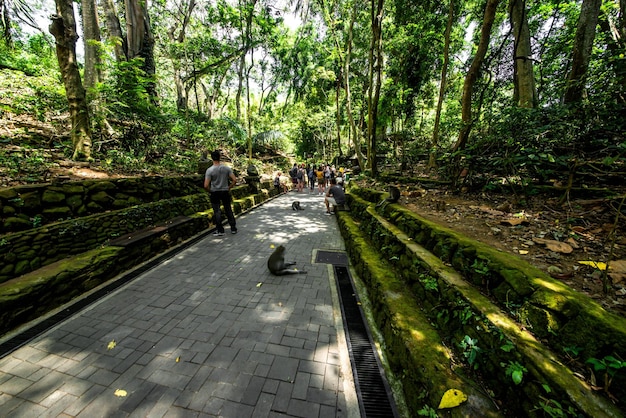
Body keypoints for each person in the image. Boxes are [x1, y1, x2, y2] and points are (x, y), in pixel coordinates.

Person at [204, 150, 237, 236]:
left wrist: (210, 191)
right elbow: (234, 180)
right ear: (219, 157)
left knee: (217, 211)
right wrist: (228, 187)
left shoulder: (209, 170)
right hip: (225, 191)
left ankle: (220, 230)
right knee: (228, 209)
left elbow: (206, 185)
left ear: (212, 158)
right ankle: (233, 228)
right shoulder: (226, 168)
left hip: (215, 192)